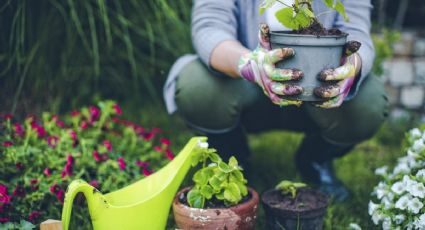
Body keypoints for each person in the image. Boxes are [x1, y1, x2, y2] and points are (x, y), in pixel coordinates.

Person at [163, 0, 389, 201]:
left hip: (318, 89)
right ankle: (232, 155)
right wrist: (250, 64)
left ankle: (315, 159)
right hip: (243, 86)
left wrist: (352, 66)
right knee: (197, 87)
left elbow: (357, 32)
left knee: (368, 103)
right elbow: (210, 28)